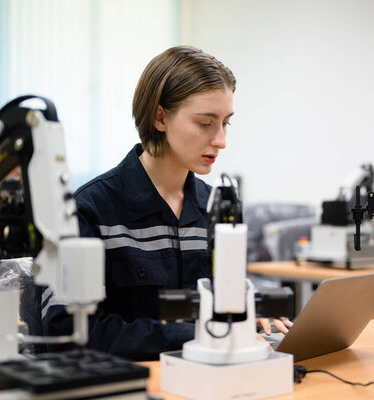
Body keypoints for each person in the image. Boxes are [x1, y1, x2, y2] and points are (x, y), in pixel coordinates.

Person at [41, 45, 290, 361]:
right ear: (160, 117)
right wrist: (195, 334)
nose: (221, 140)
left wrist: (248, 315)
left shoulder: (213, 206)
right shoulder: (90, 209)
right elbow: (64, 332)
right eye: (205, 123)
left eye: (226, 122)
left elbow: (224, 299)